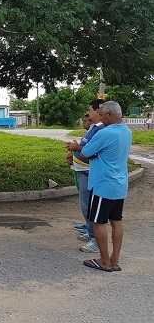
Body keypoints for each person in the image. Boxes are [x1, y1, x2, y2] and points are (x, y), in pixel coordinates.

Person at [80, 101, 132, 272]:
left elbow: (85, 152)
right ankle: (114, 260)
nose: (100, 118)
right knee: (116, 221)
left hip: (103, 184)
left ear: (109, 114)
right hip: (120, 184)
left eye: (101, 115)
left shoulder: (105, 133)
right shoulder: (127, 131)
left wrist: (95, 154)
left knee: (98, 222)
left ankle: (104, 260)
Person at [66, 99, 105, 253]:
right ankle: (91, 234)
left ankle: (95, 240)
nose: (88, 113)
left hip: (88, 172)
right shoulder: (94, 128)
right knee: (87, 205)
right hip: (82, 170)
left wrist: (77, 147)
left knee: (88, 206)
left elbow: (90, 151)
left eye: (90, 109)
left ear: (97, 111)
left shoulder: (100, 129)